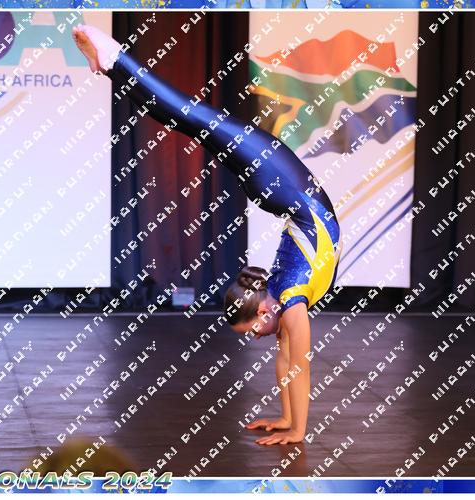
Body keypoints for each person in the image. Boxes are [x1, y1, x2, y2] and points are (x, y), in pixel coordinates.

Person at [72, 24, 343, 446]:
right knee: (189, 117)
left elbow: (286, 361)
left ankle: (112, 66)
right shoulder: (291, 304)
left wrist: (290, 422)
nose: (256, 336)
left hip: (274, 185)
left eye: (249, 331)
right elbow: (299, 366)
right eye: (254, 330)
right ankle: (113, 58)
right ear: (264, 310)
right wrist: (296, 430)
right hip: (278, 178)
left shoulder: (284, 299)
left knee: (188, 121)